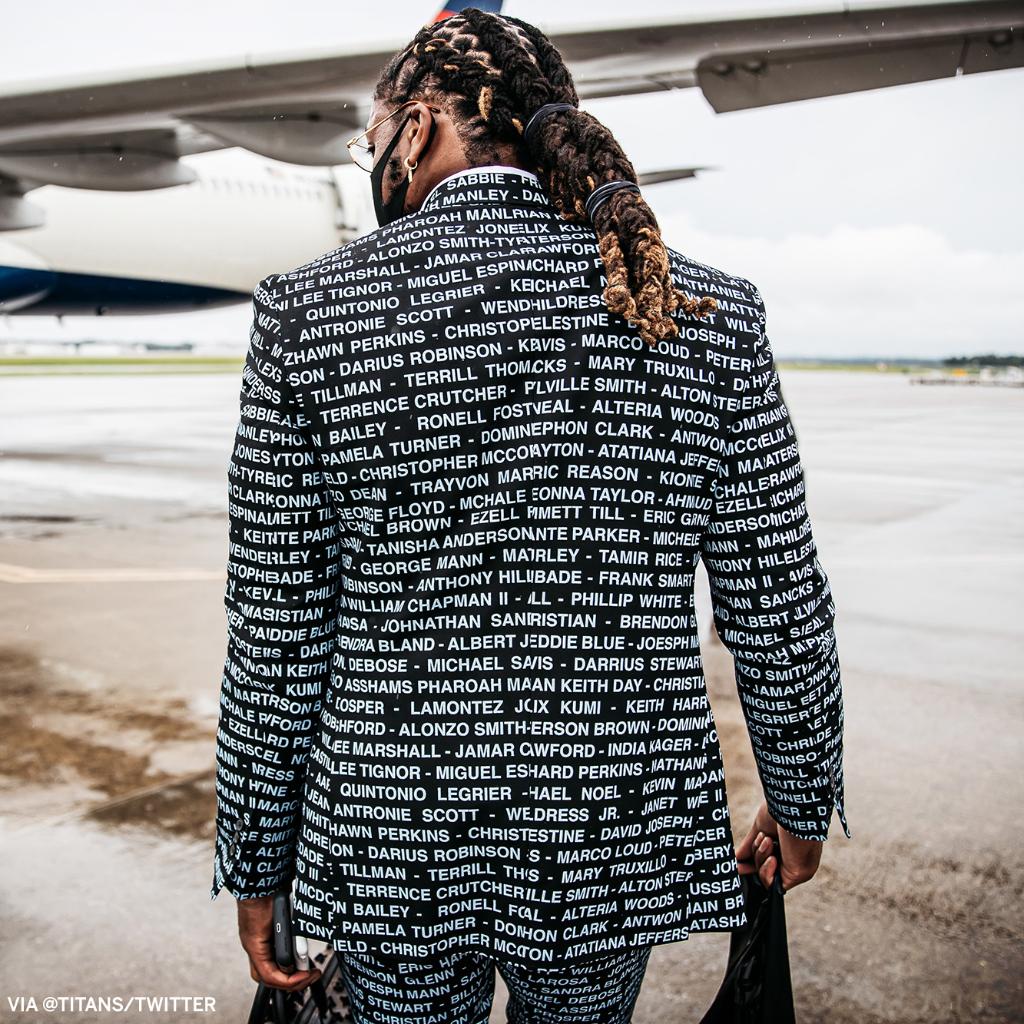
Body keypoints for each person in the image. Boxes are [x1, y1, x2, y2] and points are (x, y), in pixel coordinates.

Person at [209, 8, 851, 1021]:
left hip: (394, 839)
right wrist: (803, 793)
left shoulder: (307, 311)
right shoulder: (700, 311)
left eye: (370, 140)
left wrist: (252, 858)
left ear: (417, 128)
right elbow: (775, 596)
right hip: (607, 828)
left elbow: (278, 631)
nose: (372, 160)